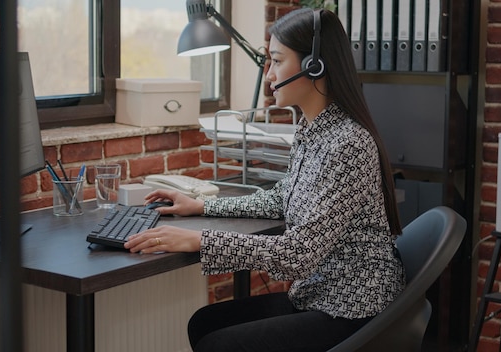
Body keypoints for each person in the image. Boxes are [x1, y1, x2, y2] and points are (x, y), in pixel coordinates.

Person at [124, 7, 405, 352]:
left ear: (313, 65)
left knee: (218, 343)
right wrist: (201, 204)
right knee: (204, 323)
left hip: (350, 306)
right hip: (318, 293)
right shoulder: (312, 128)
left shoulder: (348, 143)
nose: (269, 75)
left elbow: (299, 254)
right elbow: (281, 197)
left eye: (276, 61)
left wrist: (199, 240)